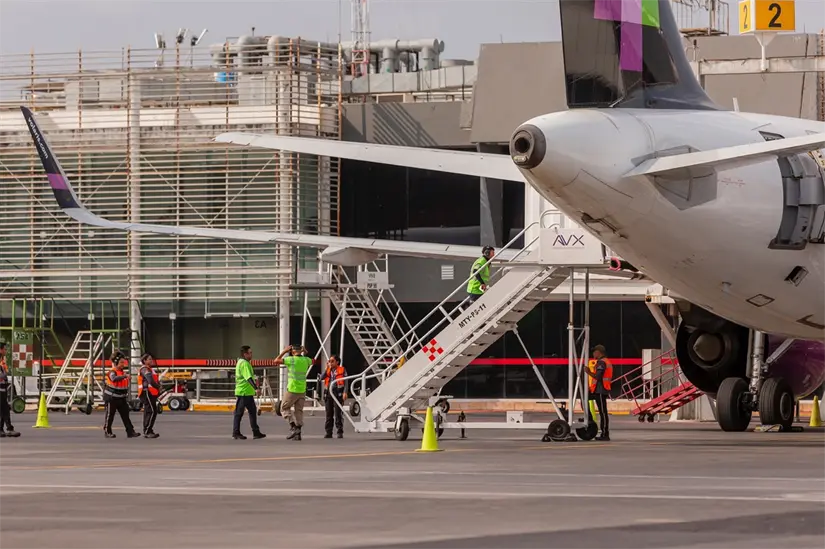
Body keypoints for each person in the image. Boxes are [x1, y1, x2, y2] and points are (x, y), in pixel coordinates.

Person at [275, 344, 313, 441]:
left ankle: (293, 427)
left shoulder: (291, 360)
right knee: (298, 411)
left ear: (292, 351)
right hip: (302, 389)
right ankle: (298, 433)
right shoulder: (306, 360)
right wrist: (305, 351)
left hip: (292, 389)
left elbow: (276, 360)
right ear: (301, 350)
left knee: (283, 408)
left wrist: (284, 351)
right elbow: (312, 360)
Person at [103, 350, 140, 439]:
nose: (123, 364)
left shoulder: (122, 372)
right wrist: (125, 377)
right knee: (110, 415)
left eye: (124, 362)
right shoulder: (113, 372)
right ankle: (107, 431)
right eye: (121, 362)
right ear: (116, 363)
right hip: (112, 398)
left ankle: (130, 431)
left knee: (125, 415)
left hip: (121, 398)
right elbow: (114, 379)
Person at [233, 345, 266, 440]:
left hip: (247, 392)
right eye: (250, 353)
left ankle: (256, 432)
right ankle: (236, 432)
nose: (251, 354)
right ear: (245, 354)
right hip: (243, 392)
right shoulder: (244, 363)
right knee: (239, 413)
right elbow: (248, 378)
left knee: (252, 412)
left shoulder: (243, 362)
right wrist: (256, 388)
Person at [584, 344, 613, 441]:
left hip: (601, 390)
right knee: (584, 399)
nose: (593, 353)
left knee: (603, 412)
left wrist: (588, 372)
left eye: (594, 351)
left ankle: (605, 433)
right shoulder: (603, 361)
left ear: (599, 352)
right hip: (598, 390)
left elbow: (598, 377)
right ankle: (590, 420)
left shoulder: (601, 363)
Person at [322, 354, 347, 439]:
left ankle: (339, 431)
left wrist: (345, 392)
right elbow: (322, 377)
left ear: (337, 362)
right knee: (329, 414)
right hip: (328, 394)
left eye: (332, 361)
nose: (330, 363)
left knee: (338, 413)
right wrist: (326, 369)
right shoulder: (328, 370)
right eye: (329, 361)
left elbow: (346, 381)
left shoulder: (342, 370)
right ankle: (328, 432)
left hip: (338, 393)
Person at [138, 353, 161, 439]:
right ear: (144, 361)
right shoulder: (145, 369)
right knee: (152, 411)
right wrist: (158, 387)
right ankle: (148, 430)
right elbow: (150, 380)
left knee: (148, 411)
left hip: (151, 392)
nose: (151, 361)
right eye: (149, 359)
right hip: (146, 392)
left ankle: (147, 430)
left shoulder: (150, 369)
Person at [0, 343, 20, 438]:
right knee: (5, 408)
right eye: (4, 349)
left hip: (3, 387)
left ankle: (2, 429)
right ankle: (9, 429)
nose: (5, 351)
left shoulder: (2, 360)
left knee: (3, 409)